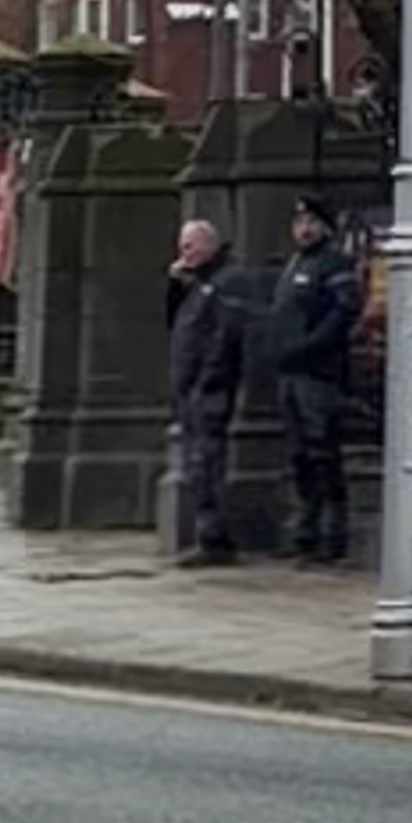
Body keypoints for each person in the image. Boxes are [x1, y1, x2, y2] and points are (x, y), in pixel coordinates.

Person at [271, 202, 359, 568]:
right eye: (299, 222)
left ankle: (331, 535)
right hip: (291, 373)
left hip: (318, 374)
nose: (304, 229)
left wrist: (309, 346)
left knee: (323, 454)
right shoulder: (294, 265)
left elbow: (343, 314)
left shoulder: (333, 264)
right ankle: (304, 532)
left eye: (311, 222)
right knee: (299, 456)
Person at [166, 210, 255, 562]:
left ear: (209, 245)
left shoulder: (225, 282)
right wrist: (176, 286)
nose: (184, 252)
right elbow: (175, 325)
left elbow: (224, 337)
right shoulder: (195, 284)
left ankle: (214, 538)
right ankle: (209, 535)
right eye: (182, 246)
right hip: (190, 389)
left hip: (210, 389)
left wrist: (206, 381)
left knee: (207, 463)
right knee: (197, 463)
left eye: (190, 245)